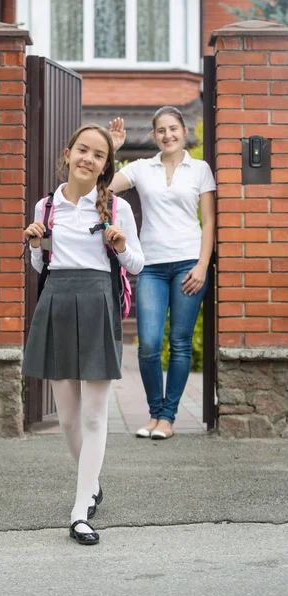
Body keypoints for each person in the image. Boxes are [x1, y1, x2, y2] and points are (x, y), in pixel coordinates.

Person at [22, 124, 144, 545]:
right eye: (82, 150)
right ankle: (91, 484)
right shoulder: (46, 207)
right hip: (57, 301)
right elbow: (41, 268)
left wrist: (122, 244)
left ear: (106, 166)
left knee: (94, 415)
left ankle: (79, 512)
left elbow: (137, 265)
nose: (88, 159)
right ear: (68, 152)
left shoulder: (116, 208)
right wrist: (36, 245)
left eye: (98, 155)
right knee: (69, 419)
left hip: (96, 304)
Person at [108, 107, 216, 440]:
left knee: (180, 343)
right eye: (160, 130)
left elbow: (209, 221)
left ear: (184, 131)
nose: (167, 135)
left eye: (173, 129)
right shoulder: (141, 168)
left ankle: (168, 419)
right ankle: (155, 414)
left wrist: (202, 264)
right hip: (152, 266)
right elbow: (105, 187)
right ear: (154, 135)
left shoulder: (200, 169)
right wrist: (111, 149)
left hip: (189, 265)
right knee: (149, 345)